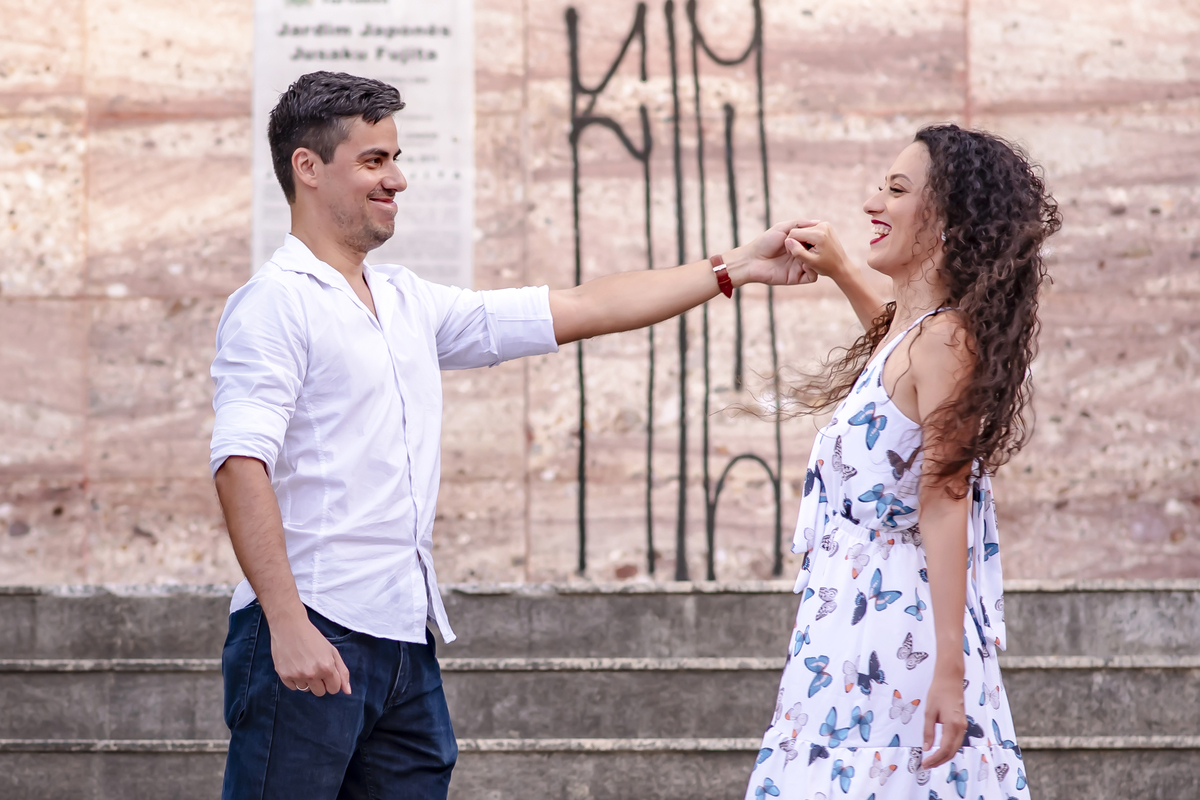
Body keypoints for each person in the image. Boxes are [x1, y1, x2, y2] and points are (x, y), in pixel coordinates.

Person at [210, 70, 816, 800]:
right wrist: (288, 623)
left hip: (405, 638)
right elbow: (240, 464)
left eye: (396, 158)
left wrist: (737, 267)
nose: (396, 180)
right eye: (374, 161)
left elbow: (583, 306)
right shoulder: (272, 305)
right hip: (313, 628)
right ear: (307, 168)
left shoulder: (407, 301)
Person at [744, 124, 1060, 799]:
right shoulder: (917, 337)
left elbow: (943, 501)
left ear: (947, 220)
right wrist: (839, 270)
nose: (871, 204)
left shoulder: (945, 341)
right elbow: (895, 349)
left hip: (896, 640)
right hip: (850, 634)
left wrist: (950, 667)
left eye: (896, 190)